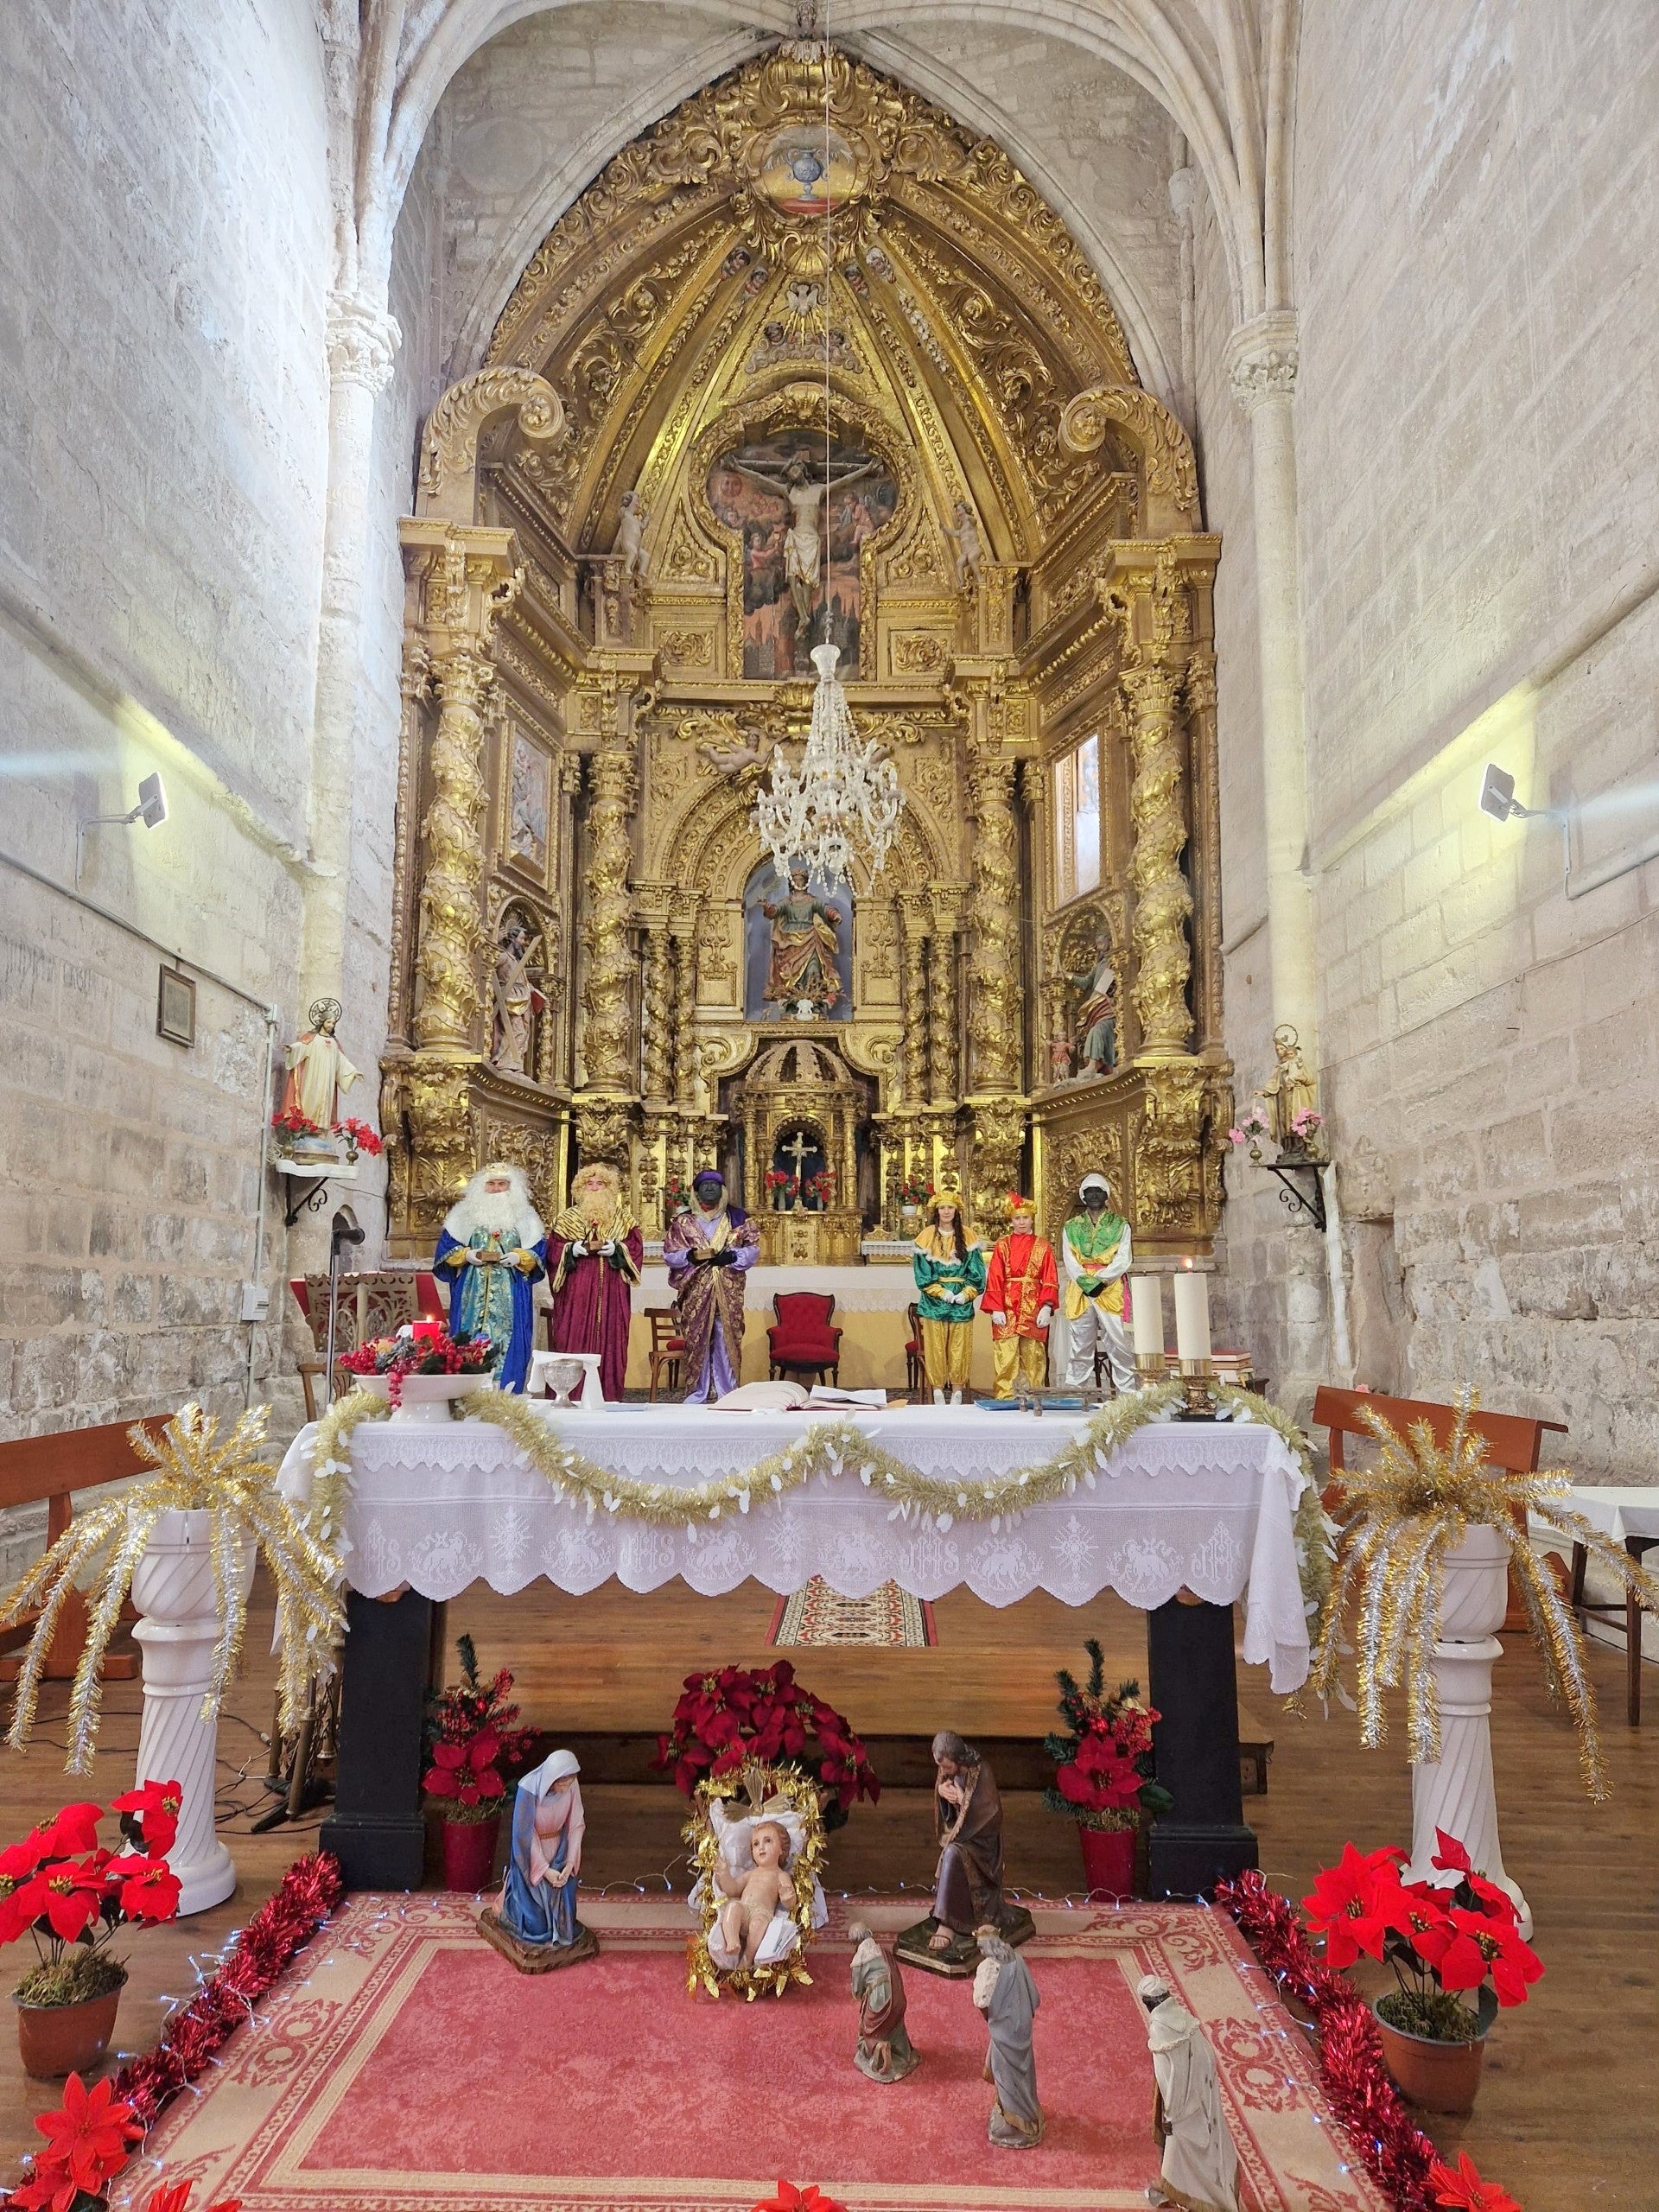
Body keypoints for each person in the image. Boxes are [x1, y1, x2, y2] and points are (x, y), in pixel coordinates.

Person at [478, 1749, 599, 1972]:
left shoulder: (572, 1785)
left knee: (567, 1923)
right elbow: (524, 1835)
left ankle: (559, 1928)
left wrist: (569, 1863)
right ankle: (512, 1912)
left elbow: (575, 1824)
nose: (567, 1786)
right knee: (536, 1928)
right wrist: (544, 1870)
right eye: (562, 1781)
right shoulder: (529, 1789)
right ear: (552, 1777)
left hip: (560, 1852)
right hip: (533, 1857)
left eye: (570, 1780)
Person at [432, 1161, 547, 1393]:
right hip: (470, 1294)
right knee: (466, 1341)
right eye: (491, 1184)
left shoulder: (526, 1217)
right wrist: (467, 1254)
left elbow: (540, 1252)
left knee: (510, 1345)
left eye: (501, 1184)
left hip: (512, 1295)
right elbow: (445, 1251)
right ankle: (465, 1393)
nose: (496, 1189)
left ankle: (506, 1395)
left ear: (511, 1188)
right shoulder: (463, 1216)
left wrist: (520, 1257)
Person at [1138, 1975, 1241, 2210]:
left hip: (1181, 2104)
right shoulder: (1184, 2017)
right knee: (1209, 2139)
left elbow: (1169, 2076)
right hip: (1203, 2092)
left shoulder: (1160, 2028)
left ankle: (1200, 2198)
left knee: (1183, 2153)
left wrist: (1171, 2115)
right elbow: (1205, 2057)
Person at [546, 1160, 642, 1402]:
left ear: (610, 1189)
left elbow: (635, 1248)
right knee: (572, 1340)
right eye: (589, 1183)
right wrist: (571, 1249)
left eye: (601, 1183)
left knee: (612, 1344)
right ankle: (570, 1395)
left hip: (613, 1294)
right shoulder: (566, 1219)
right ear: (580, 1188)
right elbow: (553, 1251)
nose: (595, 1188)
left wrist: (617, 1250)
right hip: (576, 1295)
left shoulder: (624, 1220)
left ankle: (607, 1396)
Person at [663, 1167, 760, 1402]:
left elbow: (754, 1249)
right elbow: (669, 1253)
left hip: (728, 1290)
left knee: (727, 1338)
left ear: (722, 1190)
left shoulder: (738, 1219)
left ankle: (728, 1392)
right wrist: (690, 1256)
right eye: (704, 1185)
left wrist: (733, 1257)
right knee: (698, 1340)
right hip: (696, 1291)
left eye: (714, 1185)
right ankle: (698, 1391)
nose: (709, 1188)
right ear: (696, 1192)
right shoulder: (683, 1222)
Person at [911, 1185, 986, 1405]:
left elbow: (978, 1274)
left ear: (956, 1211)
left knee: (959, 1347)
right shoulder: (926, 1236)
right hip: (934, 1302)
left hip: (961, 1302)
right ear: (936, 1211)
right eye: (942, 1208)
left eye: (950, 1208)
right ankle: (937, 1391)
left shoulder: (969, 1236)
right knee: (935, 1347)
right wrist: (940, 1291)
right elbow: (922, 1275)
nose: (946, 1212)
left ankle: (957, 1391)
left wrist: (967, 1293)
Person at [1061, 1172, 1135, 1392]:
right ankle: (1076, 1392)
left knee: (1119, 1342)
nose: (1094, 1195)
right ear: (1083, 1196)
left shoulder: (1121, 1225)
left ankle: (1128, 1392)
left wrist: (1102, 1281)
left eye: (1098, 1191)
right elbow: (1070, 1259)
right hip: (1081, 1291)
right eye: (1089, 1191)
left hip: (1110, 1290)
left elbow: (1124, 1258)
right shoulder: (1071, 1226)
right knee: (1080, 1345)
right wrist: (1086, 1283)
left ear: (1106, 1195)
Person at [974, 1926, 1044, 2147]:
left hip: (1004, 2030)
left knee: (1006, 2075)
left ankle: (1018, 2123)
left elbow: (981, 2001)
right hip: (1021, 2027)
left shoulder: (988, 1967)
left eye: (980, 1945)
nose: (978, 1949)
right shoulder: (1018, 1959)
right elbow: (1035, 1996)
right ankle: (1027, 2112)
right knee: (1023, 2070)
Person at [982, 1194, 1058, 1399]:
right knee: (1005, 1353)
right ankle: (1004, 1397)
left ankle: (1035, 1396)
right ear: (1011, 1220)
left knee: (1034, 1354)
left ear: (1032, 1218)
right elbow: (995, 1276)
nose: (1022, 1222)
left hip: (1033, 1305)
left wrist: (1047, 1306)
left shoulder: (1043, 1246)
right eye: (1017, 1218)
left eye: (1025, 1217)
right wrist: (996, 1307)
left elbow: (1050, 1276)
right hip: (1007, 1304)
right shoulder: (1003, 1245)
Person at [760, 862, 844, 1016]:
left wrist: (835, 915)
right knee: (791, 974)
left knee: (813, 970)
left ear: (806, 882)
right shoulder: (787, 902)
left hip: (811, 940)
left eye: (801, 880)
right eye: (796, 880)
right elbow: (774, 911)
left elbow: (825, 909)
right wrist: (766, 906)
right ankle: (792, 1004)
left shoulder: (812, 901)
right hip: (790, 941)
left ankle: (815, 1003)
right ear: (792, 883)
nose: (799, 883)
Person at [714, 1815, 797, 1969]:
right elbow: (733, 1890)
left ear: (781, 1849)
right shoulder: (750, 1874)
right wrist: (725, 1875)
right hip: (744, 1908)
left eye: (768, 1841)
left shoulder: (780, 1875)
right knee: (733, 1908)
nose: (761, 1847)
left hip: (762, 1912)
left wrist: (788, 1897)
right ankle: (733, 1941)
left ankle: (748, 1956)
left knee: (758, 1925)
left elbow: (789, 1903)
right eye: (756, 1844)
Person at [849, 1922, 919, 2082]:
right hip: (898, 1995)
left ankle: (879, 2050)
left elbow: (857, 1992)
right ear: (870, 1933)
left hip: (878, 1998)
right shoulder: (884, 1951)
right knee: (896, 2024)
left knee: (870, 2029)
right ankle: (903, 2055)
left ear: (854, 1942)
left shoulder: (859, 1960)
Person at [280, 997, 359, 1133]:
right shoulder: (312, 1038)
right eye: (329, 1022)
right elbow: (301, 1047)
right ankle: (307, 1125)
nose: (331, 1025)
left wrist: (353, 1072)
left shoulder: (334, 1043)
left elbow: (341, 1062)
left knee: (325, 1101)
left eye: (333, 1023)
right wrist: (292, 1049)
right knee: (311, 1099)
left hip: (327, 1082)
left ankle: (320, 1128)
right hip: (313, 1078)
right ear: (322, 1022)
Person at [1073, 931, 1118, 1076]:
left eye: (1101, 943)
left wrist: (1111, 996)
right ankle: (1094, 1065)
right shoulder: (1099, 965)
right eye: (1097, 944)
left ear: (1109, 942)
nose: (1099, 948)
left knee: (1098, 1030)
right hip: (1095, 1003)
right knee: (1094, 1030)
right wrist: (1068, 976)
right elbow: (1086, 982)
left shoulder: (1115, 960)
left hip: (1107, 1004)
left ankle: (1096, 1064)